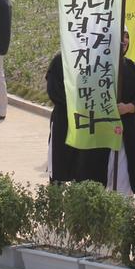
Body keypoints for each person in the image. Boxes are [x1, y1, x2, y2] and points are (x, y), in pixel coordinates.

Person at [76, 28, 135, 194]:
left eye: (126, 37)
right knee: (94, 183)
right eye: (120, 37)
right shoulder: (92, 67)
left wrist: (129, 107)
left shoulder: (132, 68)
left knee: (122, 184)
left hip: (124, 133)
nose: (124, 42)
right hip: (98, 134)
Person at [45, 52, 83, 183]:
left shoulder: (95, 59)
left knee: (83, 168)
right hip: (63, 118)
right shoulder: (60, 59)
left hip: (87, 121)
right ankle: (56, 200)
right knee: (58, 165)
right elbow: (53, 91)